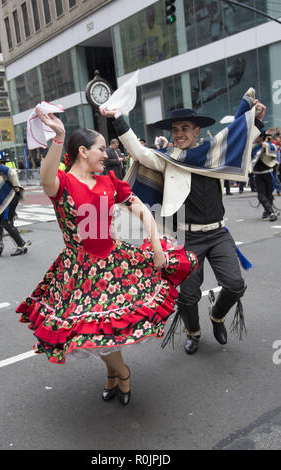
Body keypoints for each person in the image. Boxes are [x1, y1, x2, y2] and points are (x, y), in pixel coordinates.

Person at [16, 107, 198, 405]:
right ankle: (121, 373)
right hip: (78, 271)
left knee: (107, 328)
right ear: (83, 151)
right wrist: (59, 136)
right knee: (91, 329)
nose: (107, 154)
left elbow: (141, 210)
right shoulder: (61, 183)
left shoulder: (108, 182)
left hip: (114, 265)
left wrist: (155, 247)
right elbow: (45, 175)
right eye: (102, 149)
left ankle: (115, 376)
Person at [100, 89, 266, 355]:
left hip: (218, 233)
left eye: (185, 128)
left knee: (235, 285)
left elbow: (238, 137)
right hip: (186, 237)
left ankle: (216, 315)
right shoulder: (167, 159)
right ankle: (194, 332)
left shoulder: (214, 154)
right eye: (175, 129)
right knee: (187, 296)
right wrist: (117, 119)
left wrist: (255, 121)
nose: (179, 134)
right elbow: (140, 153)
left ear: (196, 131)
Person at [0, 152, 30, 257]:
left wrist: (16, 185)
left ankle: (22, 246)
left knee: (6, 222)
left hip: (10, 198)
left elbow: (12, 172)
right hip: (4, 201)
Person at [252, 131, 279, 221]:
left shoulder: (268, 145)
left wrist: (266, 146)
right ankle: (271, 212)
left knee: (269, 194)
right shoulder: (253, 146)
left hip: (268, 173)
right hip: (258, 174)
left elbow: (274, 149)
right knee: (261, 195)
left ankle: (266, 211)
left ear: (261, 137)